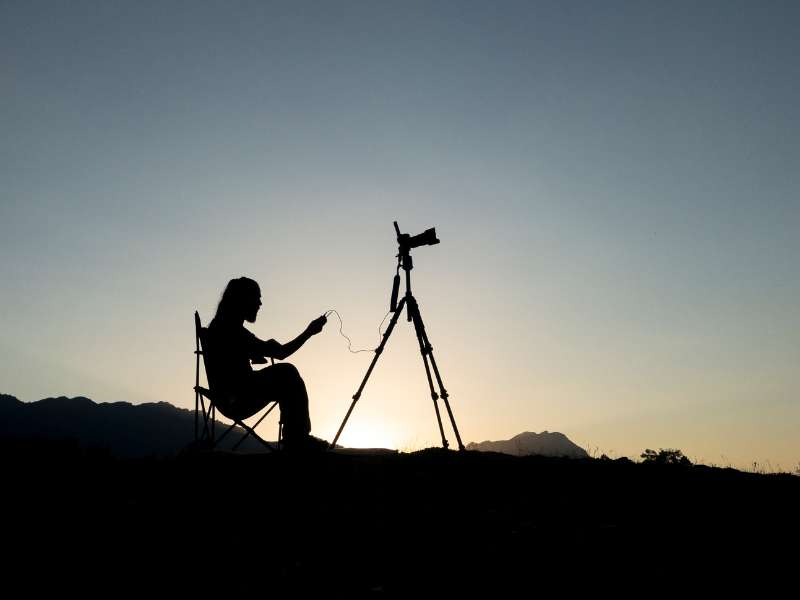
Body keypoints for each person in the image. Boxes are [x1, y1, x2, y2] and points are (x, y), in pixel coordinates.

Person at [204, 276, 329, 452]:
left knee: (285, 374)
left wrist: (254, 352)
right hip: (239, 398)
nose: (260, 303)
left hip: (228, 396)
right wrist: (309, 332)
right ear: (243, 299)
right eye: (257, 298)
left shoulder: (220, 327)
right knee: (287, 373)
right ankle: (296, 439)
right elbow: (282, 353)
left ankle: (296, 437)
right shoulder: (232, 330)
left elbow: (233, 358)